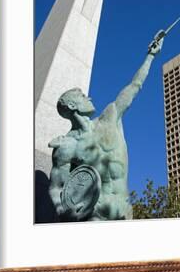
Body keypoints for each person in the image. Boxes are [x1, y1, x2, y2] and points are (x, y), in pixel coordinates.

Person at [48, 33, 164, 221]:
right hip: (96, 215)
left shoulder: (111, 115)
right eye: (83, 97)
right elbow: (56, 188)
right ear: (72, 106)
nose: (89, 98)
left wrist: (150, 56)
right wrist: (62, 209)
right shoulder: (67, 146)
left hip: (125, 211)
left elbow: (135, 86)